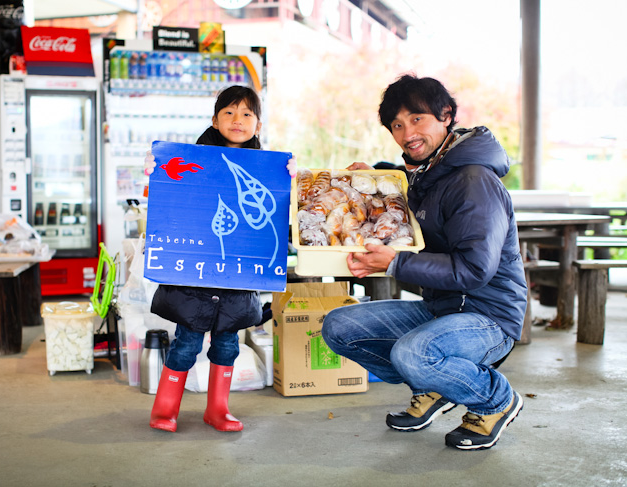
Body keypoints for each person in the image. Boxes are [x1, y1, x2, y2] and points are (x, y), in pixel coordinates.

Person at [321, 74, 527, 451]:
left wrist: (395, 264)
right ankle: (433, 385)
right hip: (442, 308)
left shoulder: (473, 181)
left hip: (489, 318)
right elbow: (410, 188)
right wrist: (373, 175)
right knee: (339, 325)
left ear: (445, 115)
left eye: (417, 119)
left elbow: (475, 270)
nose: (406, 133)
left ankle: (495, 400)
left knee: (412, 352)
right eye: (397, 125)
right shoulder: (433, 171)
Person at [143, 85, 296, 433]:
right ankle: (163, 411)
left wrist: (291, 177)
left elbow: (276, 215)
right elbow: (163, 197)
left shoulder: (269, 169)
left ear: (258, 125)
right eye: (228, 112)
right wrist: (153, 170)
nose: (237, 120)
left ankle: (218, 410)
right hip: (195, 283)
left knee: (227, 346)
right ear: (214, 120)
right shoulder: (189, 160)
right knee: (186, 345)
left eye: (246, 114)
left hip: (237, 284)